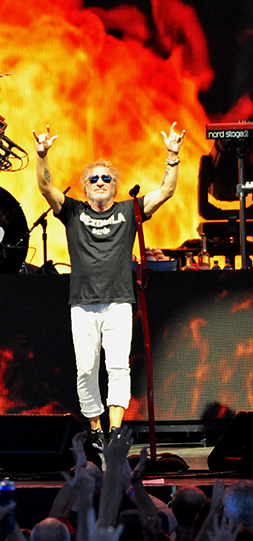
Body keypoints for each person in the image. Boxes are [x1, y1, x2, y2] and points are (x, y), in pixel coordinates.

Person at [33, 122, 184, 450]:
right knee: (86, 368)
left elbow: (166, 192)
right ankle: (95, 429)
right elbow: (46, 187)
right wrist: (42, 156)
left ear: (115, 186)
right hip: (83, 303)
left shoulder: (129, 210)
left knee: (117, 366)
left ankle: (115, 430)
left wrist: (172, 157)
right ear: (85, 187)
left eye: (106, 178)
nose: (100, 182)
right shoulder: (72, 211)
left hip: (118, 301)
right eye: (93, 179)